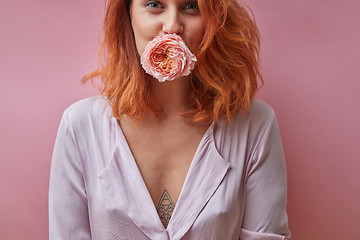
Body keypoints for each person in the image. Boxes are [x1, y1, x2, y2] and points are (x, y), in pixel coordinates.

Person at [49, 0, 291, 239]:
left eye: (191, 6)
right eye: (155, 4)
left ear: (215, 19)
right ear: (128, 15)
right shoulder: (79, 126)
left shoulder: (256, 125)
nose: (173, 26)